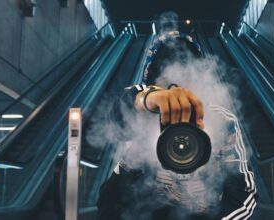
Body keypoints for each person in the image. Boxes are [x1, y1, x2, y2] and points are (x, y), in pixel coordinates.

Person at [97, 31, 258, 220]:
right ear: (153, 83)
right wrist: (146, 100)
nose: (178, 91)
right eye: (166, 81)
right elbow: (118, 117)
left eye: (186, 80)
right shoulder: (143, 109)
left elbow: (244, 194)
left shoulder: (222, 119)